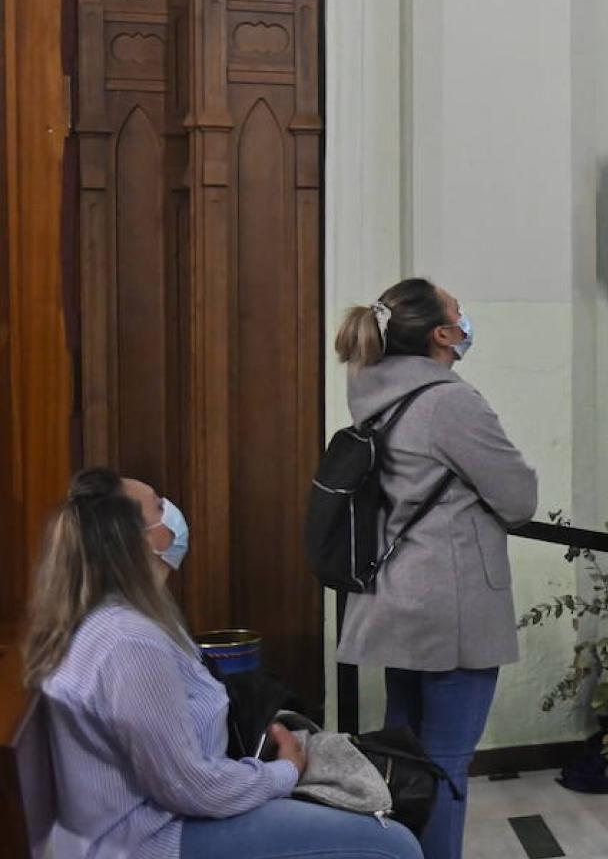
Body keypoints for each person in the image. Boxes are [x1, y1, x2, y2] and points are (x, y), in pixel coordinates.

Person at [27, 467, 421, 859]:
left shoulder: (125, 619)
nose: (173, 512)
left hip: (161, 818)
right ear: (135, 542)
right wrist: (285, 772)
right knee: (392, 845)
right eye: (159, 506)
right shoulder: (130, 642)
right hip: (150, 839)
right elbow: (188, 786)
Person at [332, 278, 539, 859]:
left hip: (396, 593)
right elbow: (518, 497)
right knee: (445, 764)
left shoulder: (370, 389)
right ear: (442, 334)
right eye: (457, 312)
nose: (465, 317)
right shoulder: (449, 400)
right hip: (451, 600)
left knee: (407, 757)